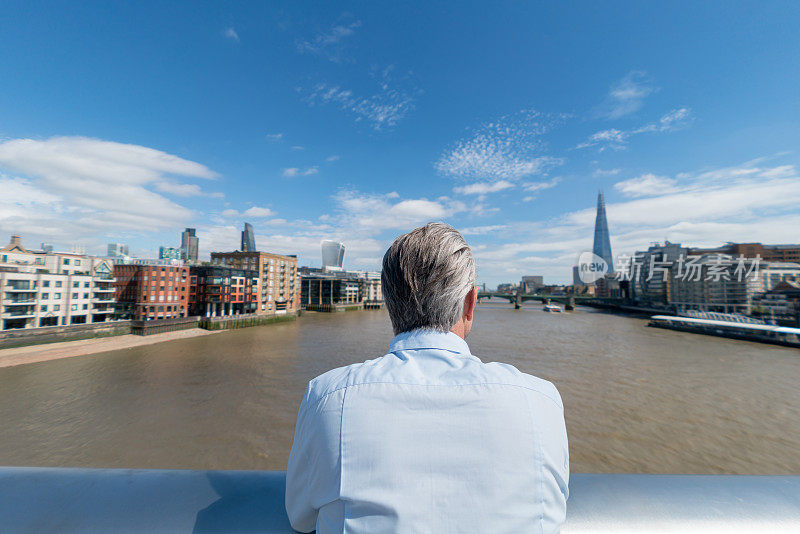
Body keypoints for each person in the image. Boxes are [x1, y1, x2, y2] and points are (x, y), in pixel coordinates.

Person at [285, 223, 569, 533]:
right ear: (471, 303)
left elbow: (300, 519)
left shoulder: (327, 396)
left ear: (388, 303)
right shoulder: (542, 401)